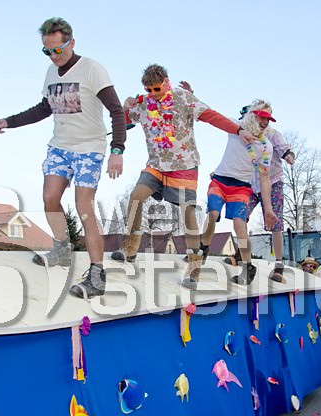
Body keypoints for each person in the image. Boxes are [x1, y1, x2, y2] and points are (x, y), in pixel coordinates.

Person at [0, 17, 126, 299]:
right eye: (48, 51)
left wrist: (117, 149)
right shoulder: (51, 72)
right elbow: (44, 108)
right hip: (60, 147)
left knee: (83, 206)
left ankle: (97, 275)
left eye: (58, 49)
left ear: (71, 42)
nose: (54, 56)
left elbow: (116, 110)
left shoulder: (92, 69)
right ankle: (61, 250)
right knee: (50, 197)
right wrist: (10, 121)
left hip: (90, 148)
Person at [111, 64, 256, 288]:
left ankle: (194, 266)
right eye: (148, 90)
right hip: (157, 165)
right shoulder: (144, 103)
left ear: (166, 83)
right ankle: (130, 248)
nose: (153, 94)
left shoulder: (183, 98)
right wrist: (126, 106)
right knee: (136, 196)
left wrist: (238, 130)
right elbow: (124, 122)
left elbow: (211, 116)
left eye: (157, 89)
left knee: (187, 212)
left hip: (184, 165)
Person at [199, 100, 279, 285]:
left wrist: (268, 209)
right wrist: (192, 97)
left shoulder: (265, 146)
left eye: (268, 120)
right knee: (213, 214)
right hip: (220, 181)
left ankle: (248, 267)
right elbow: (213, 116)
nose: (265, 123)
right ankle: (203, 249)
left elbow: (265, 178)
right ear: (252, 115)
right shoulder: (236, 126)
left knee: (239, 223)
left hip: (241, 187)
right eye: (262, 118)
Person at [222, 106, 295, 282]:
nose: (263, 124)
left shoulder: (272, 134)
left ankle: (279, 265)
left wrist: (289, 156)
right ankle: (241, 254)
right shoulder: (242, 134)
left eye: (266, 121)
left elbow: (284, 148)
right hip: (250, 183)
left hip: (272, 183)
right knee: (240, 217)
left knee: (275, 222)